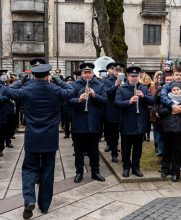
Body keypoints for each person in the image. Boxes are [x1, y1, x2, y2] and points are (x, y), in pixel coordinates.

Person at [3, 64, 75, 219]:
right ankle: (44, 206)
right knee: (48, 172)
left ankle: (29, 199)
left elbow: (6, 90)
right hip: (50, 138)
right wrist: (58, 81)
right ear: (48, 75)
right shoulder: (55, 90)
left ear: (34, 76)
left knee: (29, 169)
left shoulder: (26, 90)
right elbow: (72, 91)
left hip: (32, 138)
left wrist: (20, 81)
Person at [68, 63, 107, 183]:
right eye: (85, 73)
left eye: (89, 72)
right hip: (79, 123)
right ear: (81, 74)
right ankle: (79, 172)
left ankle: (95, 172)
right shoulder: (74, 85)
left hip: (93, 123)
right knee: (78, 151)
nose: (87, 75)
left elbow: (105, 101)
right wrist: (79, 99)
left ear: (92, 73)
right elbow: (68, 101)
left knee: (94, 150)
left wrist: (94, 95)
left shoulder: (99, 85)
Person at [115, 66, 154, 177]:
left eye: (136, 76)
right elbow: (117, 103)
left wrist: (144, 96)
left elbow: (152, 101)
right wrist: (129, 101)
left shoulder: (144, 88)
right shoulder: (121, 89)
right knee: (126, 149)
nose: (134, 78)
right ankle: (126, 167)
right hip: (127, 123)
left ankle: (136, 168)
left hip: (140, 123)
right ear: (128, 76)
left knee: (138, 149)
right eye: (132, 76)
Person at [159, 81, 181, 182]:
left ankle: (175, 172)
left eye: (178, 89)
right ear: (171, 91)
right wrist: (171, 109)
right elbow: (160, 112)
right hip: (167, 129)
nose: (176, 91)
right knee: (167, 150)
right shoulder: (166, 101)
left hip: (180, 130)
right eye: (174, 90)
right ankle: (165, 170)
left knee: (177, 152)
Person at [104, 63, 124, 163]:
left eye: (120, 71)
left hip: (124, 111)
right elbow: (107, 94)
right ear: (114, 71)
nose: (118, 72)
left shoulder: (126, 81)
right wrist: (115, 85)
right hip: (113, 111)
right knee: (113, 135)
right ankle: (114, 153)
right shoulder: (108, 81)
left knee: (124, 135)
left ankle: (124, 155)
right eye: (116, 71)